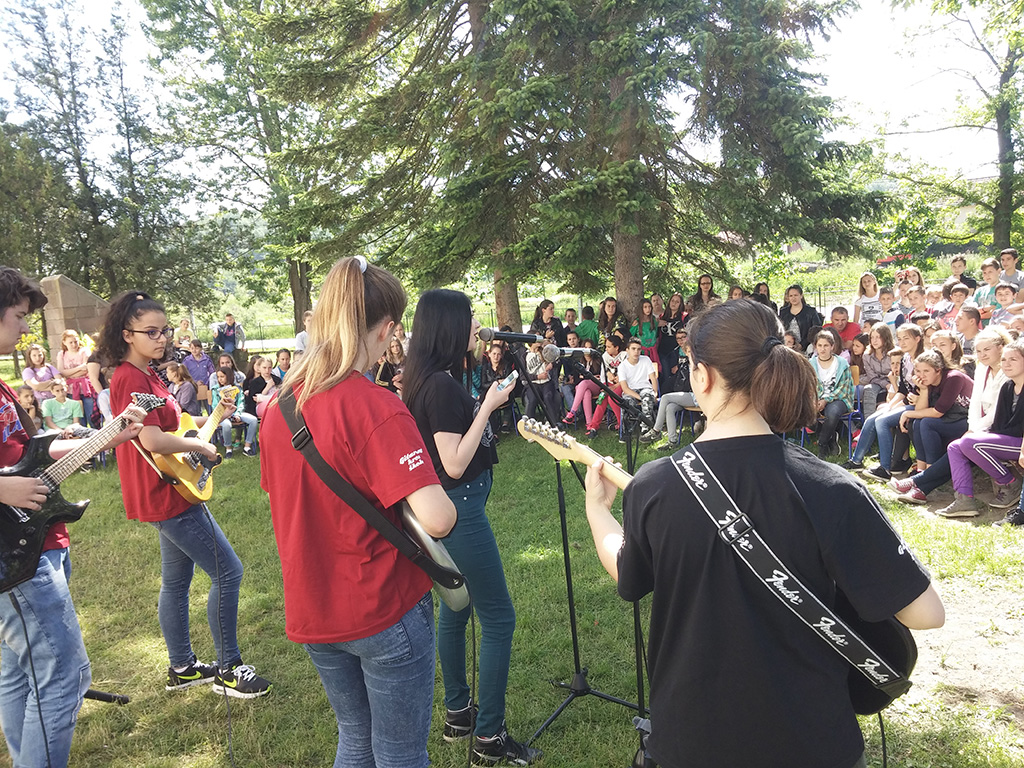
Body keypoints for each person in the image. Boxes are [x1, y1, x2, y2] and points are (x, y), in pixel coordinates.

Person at [581, 299, 945, 768]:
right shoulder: (832, 487)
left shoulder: (653, 486)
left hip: (693, 740)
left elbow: (628, 571)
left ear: (702, 376)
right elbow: (926, 613)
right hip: (815, 742)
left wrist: (598, 511)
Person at [259, 257, 456, 768]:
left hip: (314, 609)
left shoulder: (280, 406)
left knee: (355, 738)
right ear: (388, 329)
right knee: (399, 754)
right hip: (382, 607)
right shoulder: (376, 405)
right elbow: (438, 519)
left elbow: (284, 494)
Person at [0, 268, 145, 768]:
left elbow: (30, 458)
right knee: (65, 675)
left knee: (19, 674)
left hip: (37, 538)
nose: (26, 329)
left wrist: (107, 437)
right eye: (19, 316)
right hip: (16, 553)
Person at [100, 291, 272, 698]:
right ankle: (229, 669)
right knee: (228, 572)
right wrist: (201, 446)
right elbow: (152, 439)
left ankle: (182, 668)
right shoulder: (129, 377)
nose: (162, 338)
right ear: (126, 334)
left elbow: (173, 423)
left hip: (173, 487)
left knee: (176, 581)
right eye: (151, 332)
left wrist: (214, 416)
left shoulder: (149, 374)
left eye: (164, 331)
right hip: (165, 491)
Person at [402, 289, 540, 765]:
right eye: (470, 318)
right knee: (498, 618)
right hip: (459, 510)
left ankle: (459, 712)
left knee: (456, 611)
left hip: (452, 506)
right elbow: (455, 462)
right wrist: (488, 406)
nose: (477, 325)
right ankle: (489, 737)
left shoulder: (431, 378)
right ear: (449, 328)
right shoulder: (439, 386)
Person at [891, 327, 1011, 506]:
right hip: (976, 423)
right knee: (953, 444)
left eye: (987, 349)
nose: (982, 355)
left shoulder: (1007, 373)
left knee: (957, 442)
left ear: (1000, 348)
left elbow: (996, 411)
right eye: (979, 351)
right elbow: (976, 403)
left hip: (996, 426)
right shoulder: (982, 369)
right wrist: (972, 428)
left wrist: (973, 430)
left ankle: (918, 482)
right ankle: (925, 490)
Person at [929, 340, 1024, 518]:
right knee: (955, 446)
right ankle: (964, 500)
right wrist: (981, 434)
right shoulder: (1008, 386)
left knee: (970, 443)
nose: (1007, 364)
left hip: (1021, 443)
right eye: (1004, 360)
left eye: (1013, 359)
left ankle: (1009, 483)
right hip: (1008, 439)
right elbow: (1000, 423)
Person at [896, 350, 972, 475]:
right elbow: (920, 411)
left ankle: (931, 471)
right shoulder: (927, 381)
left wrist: (907, 413)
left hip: (966, 419)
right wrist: (924, 390)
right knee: (918, 422)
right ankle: (921, 469)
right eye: (918, 371)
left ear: (938, 370)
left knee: (927, 423)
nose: (921, 375)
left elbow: (938, 412)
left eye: (926, 371)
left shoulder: (953, 377)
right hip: (950, 417)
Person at [810, 330, 853, 457]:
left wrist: (825, 400)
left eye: (826, 345)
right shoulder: (810, 364)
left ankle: (822, 445)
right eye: (819, 345)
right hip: (817, 398)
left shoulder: (842, 363)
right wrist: (814, 400)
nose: (822, 349)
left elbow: (843, 389)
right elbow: (807, 386)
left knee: (832, 413)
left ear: (832, 346)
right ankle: (831, 437)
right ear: (815, 346)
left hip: (838, 398)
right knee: (803, 413)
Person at [211, 367, 258, 456]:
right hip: (222, 415)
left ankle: (247, 447)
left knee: (253, 420)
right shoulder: (215, 389)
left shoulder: (237, 388)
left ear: (228, 376)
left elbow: (241, 402)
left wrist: (237, 414)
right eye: (218, 377)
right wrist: (225, 414)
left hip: (236, 412)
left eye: (222, 376)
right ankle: (228, 448)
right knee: (227, 425)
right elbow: (215, 405)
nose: (220, 379)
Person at [618, 336, 659, 433]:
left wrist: (655, 393)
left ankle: (646, 428)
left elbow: (653, 378)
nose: (636, 352)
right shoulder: (622, 366)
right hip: (631, 390)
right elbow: (625, 388)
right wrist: (640, 397)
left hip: (645, 388)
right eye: (633, 349)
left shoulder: (646, 360)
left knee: (647, 397)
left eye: (638, 349)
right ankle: (629, 430)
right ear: (627, 350)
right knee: (627, 402)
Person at [56, 329, 96, 428]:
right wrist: (79, 368)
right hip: (71, 389)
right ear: (64, 342)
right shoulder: (62, 354)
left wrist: (70, 373)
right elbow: (61, 371)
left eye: (76, 341)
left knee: (91, 415)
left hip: (86, 388)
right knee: (78, 417)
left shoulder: (84, 351)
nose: (74, 345)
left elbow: (86, 369)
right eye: (71, 342)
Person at [861, 325, 895, 417]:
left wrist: (891, 384)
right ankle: (868, 419)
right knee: (868, 389)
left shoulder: (893, 353)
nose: (874, 341)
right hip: (877, 381)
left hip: (893, 381)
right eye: (872, 337)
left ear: (885, 337)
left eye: (878, 337)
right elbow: (872, 377)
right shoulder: (867, 355)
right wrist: (886, 384)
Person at [778, 284, 822, 351]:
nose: (793, 298)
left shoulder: (811, 311)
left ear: (801, 295)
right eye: (791, 296)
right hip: (787, 347)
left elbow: (816, 331)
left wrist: (802, 345)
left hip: (807, 347)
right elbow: (779, 330)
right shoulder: (783, 312)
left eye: (795, 295)